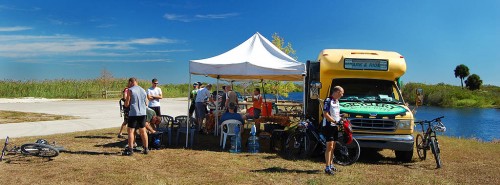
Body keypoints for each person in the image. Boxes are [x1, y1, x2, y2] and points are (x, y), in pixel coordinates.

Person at [123, 77, 149, 156]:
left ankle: (130, 149)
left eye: (129, 83)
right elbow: (146, 103)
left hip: (134, 113)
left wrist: (126, 103)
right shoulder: (143, 90)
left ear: (131, 82)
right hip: (143, 113)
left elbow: (127, 103)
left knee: (131, 131)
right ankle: (146, 148)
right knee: (143, 131)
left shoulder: (130, 90)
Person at [322, 86, 344, 175]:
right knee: (329, 146)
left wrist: (341, 117)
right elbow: (325, 114)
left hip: (335, 126)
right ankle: (327, 168)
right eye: (341, 93)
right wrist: (334, 121)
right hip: (329, 126)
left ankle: (331, 165)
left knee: (333, 147)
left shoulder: (337, 101)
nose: (342, 95)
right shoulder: (328, 100)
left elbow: (336, 113)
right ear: (337, 92)